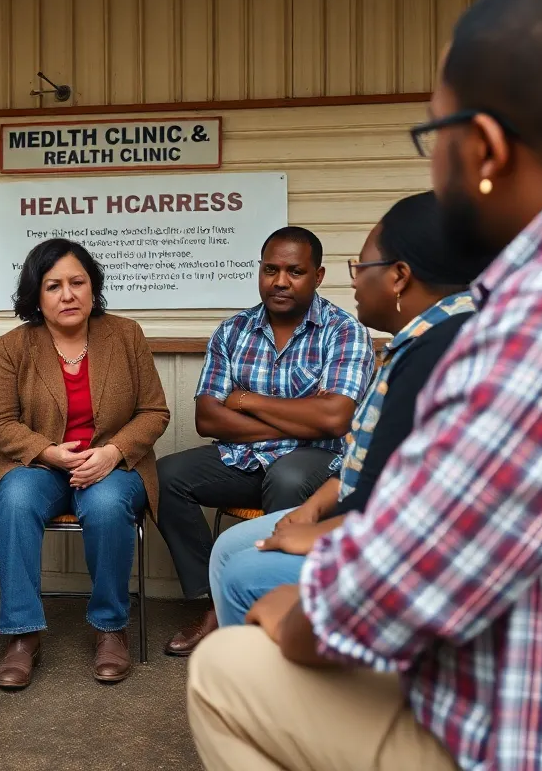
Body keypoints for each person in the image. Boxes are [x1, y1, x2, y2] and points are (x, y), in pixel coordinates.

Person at [188, 0, 542, 771]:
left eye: (436, 140)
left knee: (228, 669)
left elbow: (387, 591)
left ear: (486, 149)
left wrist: (293, 612)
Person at [208, 192, 492, 627]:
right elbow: (366, 460)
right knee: (226, 547)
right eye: (271, 269)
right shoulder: (413, 343)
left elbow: (416, 497)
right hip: (350, 506)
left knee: (244, 572)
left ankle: (273, 673)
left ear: (398, 277)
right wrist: (313, 508)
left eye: (360, 269)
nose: (355, 282)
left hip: (399, 545)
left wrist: (320, 531)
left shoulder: (441, 351)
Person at [157, 226, 373, 655]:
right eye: (270, 269)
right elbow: (207, 417)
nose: (280, 281)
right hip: (244, 459)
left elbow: (334, 418)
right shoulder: (233, 330)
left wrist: (246, 400)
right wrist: (301, 416)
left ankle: (278, 603)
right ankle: (215, 600)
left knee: (288, 476)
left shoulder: (344, 331)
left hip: (317, 463)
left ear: (318, 275)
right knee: (165, 476)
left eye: (295, 271)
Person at [0, 239, 169, 688]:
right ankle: (22, 634)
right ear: (36, 295)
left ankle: (110, 627)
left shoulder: (125, 335)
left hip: (111, 466)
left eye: (77, 282)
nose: (67, 295)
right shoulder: (15, 345)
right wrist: (49, 452)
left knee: (106, 508)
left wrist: (112, 452)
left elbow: (154, 412)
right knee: (13, 502)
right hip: (39, 467)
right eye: (53, 286)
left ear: (93, 288)